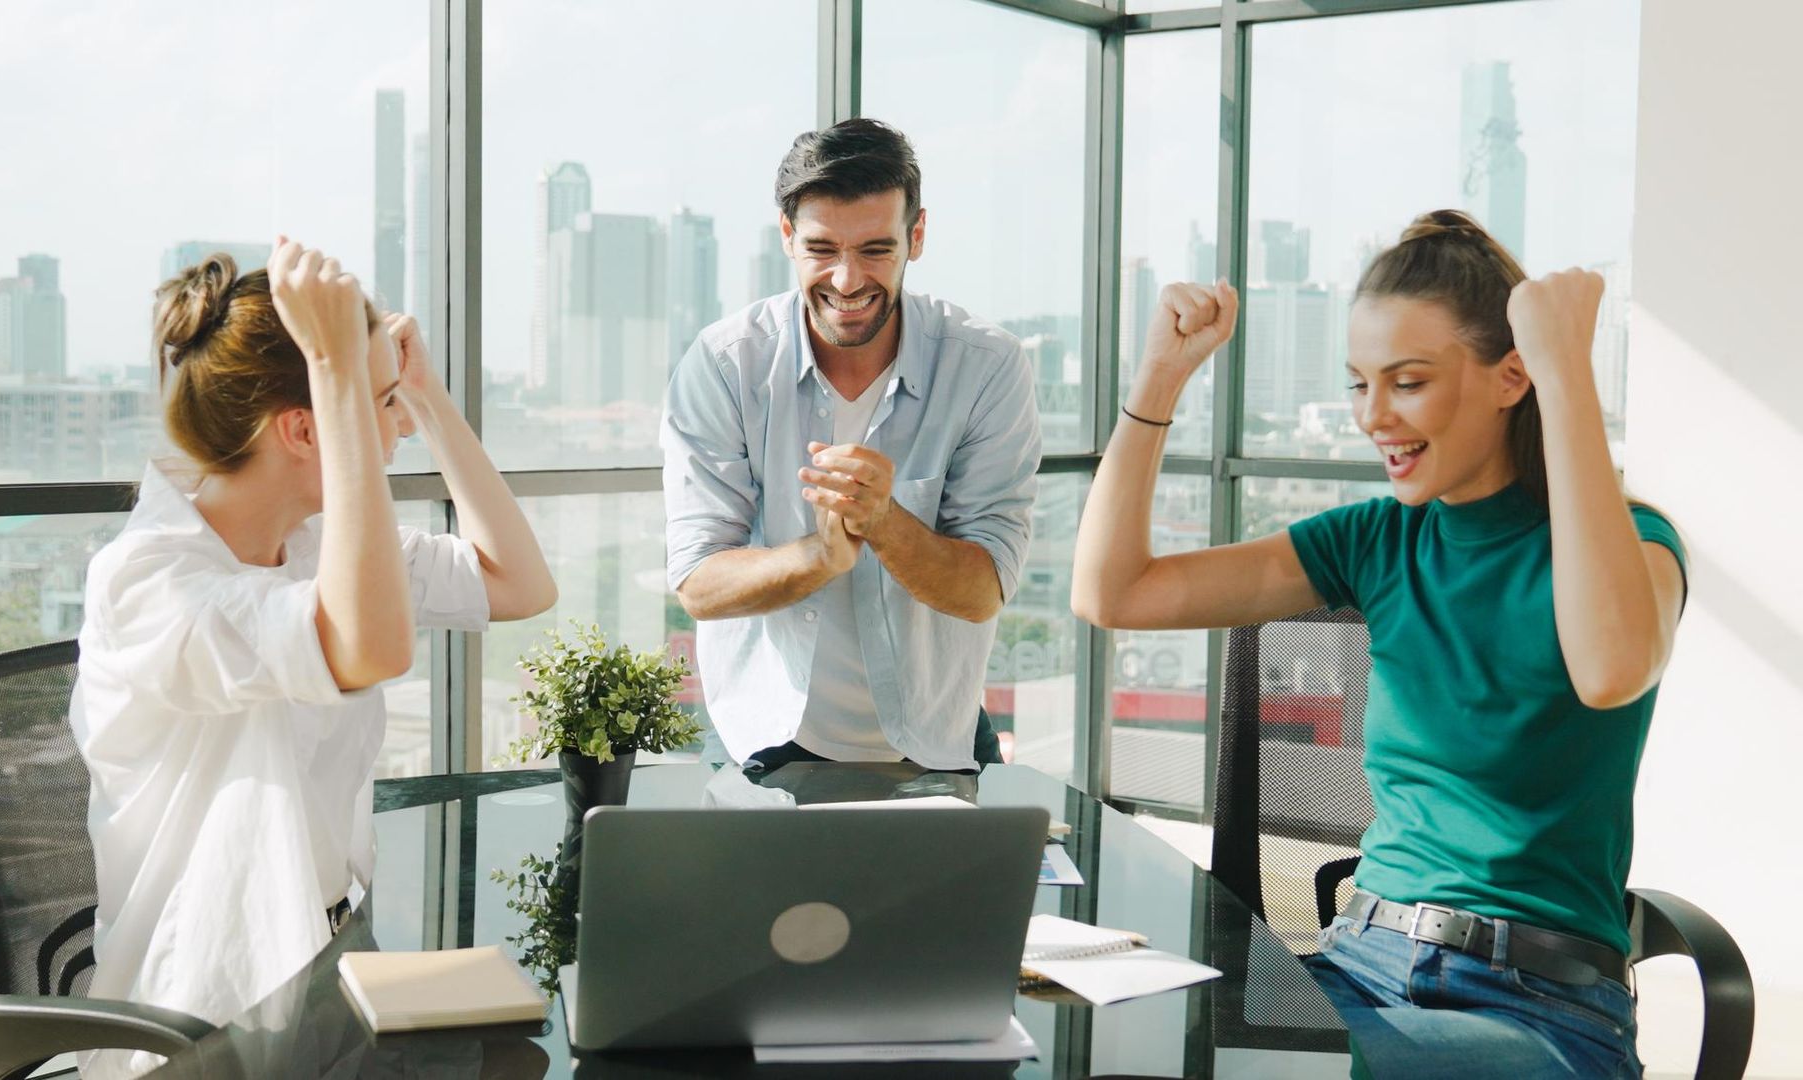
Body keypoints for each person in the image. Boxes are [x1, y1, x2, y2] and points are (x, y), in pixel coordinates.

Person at [1071, 210, 1683, 1079]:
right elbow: (1114, 592)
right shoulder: (1378, 540)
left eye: (1407, 381)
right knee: (1129, 1045)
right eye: (1360, 384)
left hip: (1539, 1010)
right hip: (1356, 965)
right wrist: (1159, 381)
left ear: (1513, 376)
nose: (1372, 416)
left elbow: (1612, 666)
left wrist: (1568, 373)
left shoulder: (1636, 544)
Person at [71, 240, 556, 1078]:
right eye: (383, 405)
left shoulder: (312, 545)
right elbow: (365, 647)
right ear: (305, 426)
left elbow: (518, 583)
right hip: (200, 1028)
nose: (395, 425)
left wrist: (429, 398)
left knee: (521, 1060)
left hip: (325, 983)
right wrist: (336, 373)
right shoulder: (149, 582)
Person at [661, 118, 1040, 772]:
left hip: (937, 741)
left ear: (916, 236)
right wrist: (820, 555)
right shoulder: (727, 365)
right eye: (820, 248)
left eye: (874, 249)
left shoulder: (987, 366)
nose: (845, 280)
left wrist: (884, 523)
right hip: (761, 739)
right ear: (787, 236)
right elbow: (699, 584)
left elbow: (982, 590)